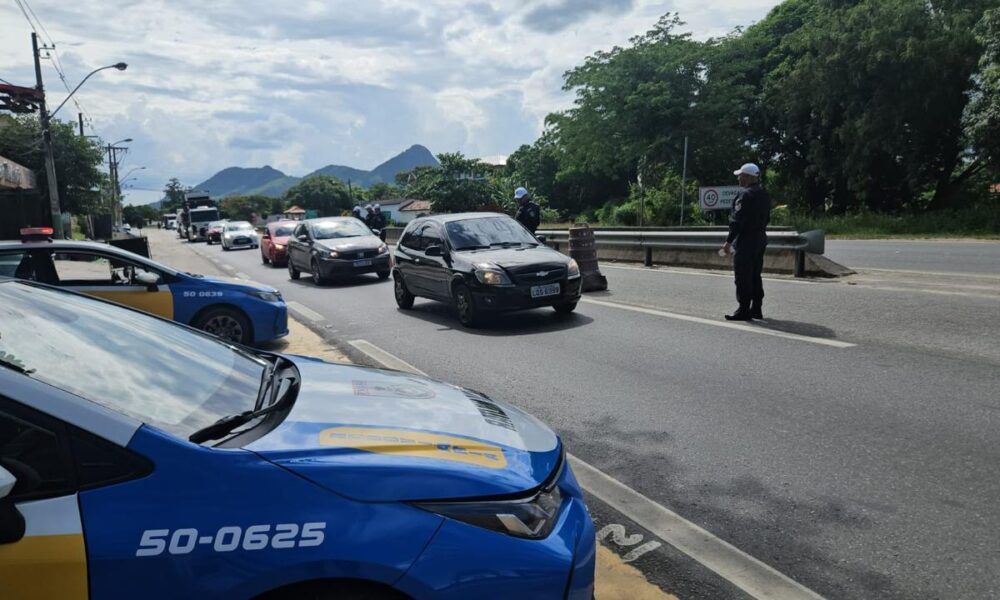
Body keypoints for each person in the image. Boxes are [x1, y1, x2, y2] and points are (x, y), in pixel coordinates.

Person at [720, 163, 771, 321]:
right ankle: (756, 308)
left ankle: (743, 310)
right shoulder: (764, 194)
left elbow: (737, 221)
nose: (738, 178)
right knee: (756, 274)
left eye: (740, 175)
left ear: (748, 177)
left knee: (742, 275)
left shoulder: (745, 195)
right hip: (761, 238)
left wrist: (728, 242)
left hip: (746, 239)